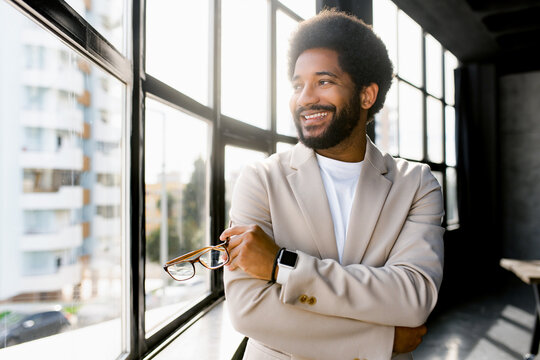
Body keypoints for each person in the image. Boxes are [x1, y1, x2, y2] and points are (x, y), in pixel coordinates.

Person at [220, 9, 444, 360]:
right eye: (297, 85)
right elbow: (249, 309)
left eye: (323, 81)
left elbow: (413, 298)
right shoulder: (260, 180)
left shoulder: (416, 185)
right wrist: (379, 341)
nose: (305, 98)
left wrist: (282, 265)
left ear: (366, 96)